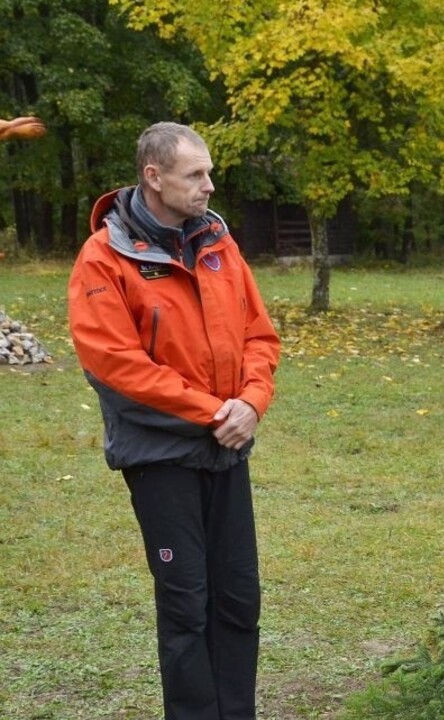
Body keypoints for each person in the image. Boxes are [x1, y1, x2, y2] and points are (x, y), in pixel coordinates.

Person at [67, 122, 281, 719]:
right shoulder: (104, 258)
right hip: (160, 457)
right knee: (187, 605)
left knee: (239, 600)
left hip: (227, 446)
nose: (210, 186)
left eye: (209, 172)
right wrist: (214, 410)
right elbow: (115, 365)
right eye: (196, 175)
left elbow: (258, 335)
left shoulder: (218, 244)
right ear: (153, 177)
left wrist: (251, 401)